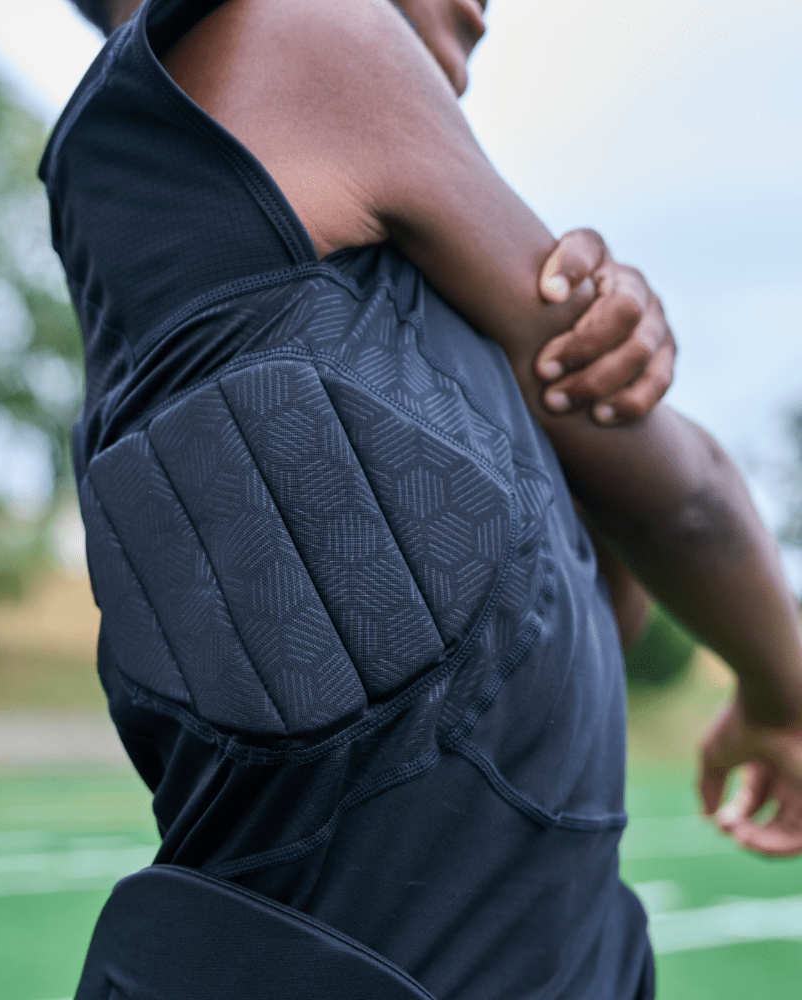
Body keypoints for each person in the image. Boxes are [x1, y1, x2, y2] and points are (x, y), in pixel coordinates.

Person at [43, 0, 802, 996]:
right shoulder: (297, 28)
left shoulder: (277, 261)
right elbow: (683, 496)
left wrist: (584, 368)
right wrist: (783, 693)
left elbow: (563, 630)